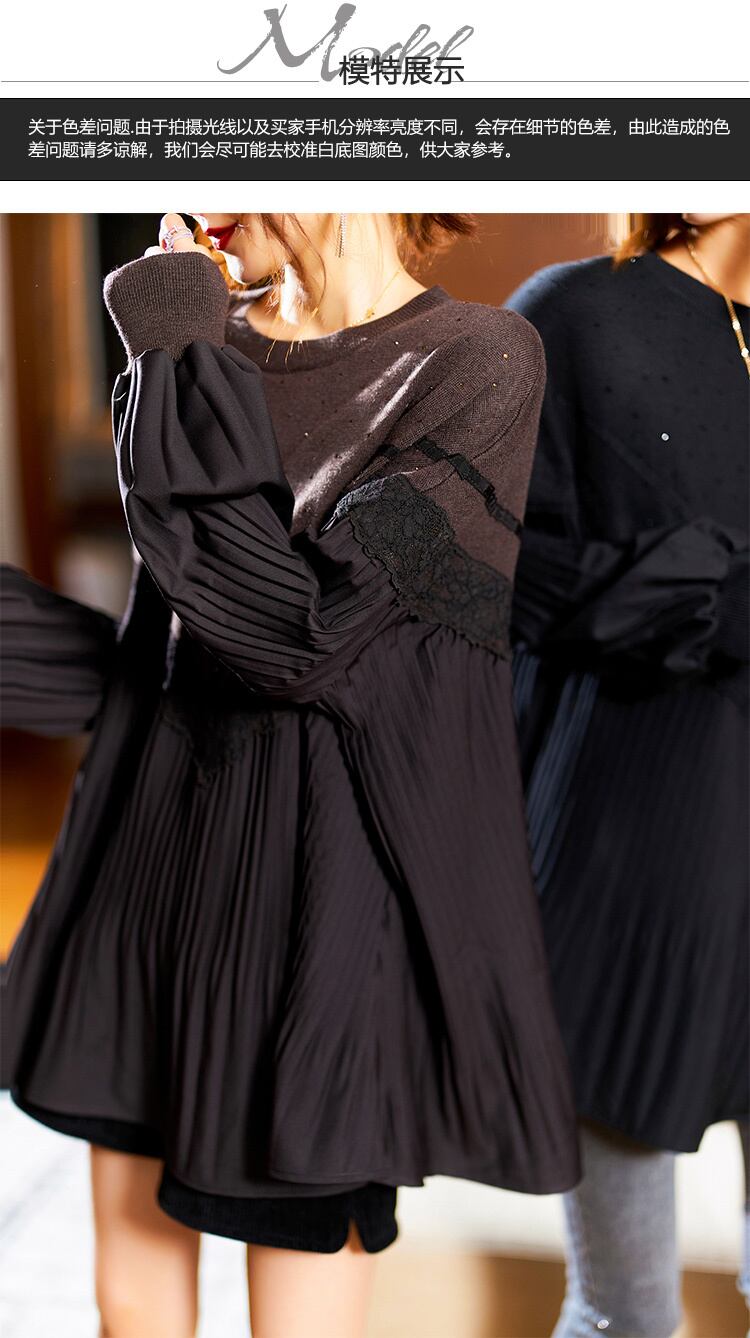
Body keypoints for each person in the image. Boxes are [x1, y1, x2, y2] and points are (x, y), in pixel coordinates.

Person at [0, 211, 581, 1338]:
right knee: (131, 1303)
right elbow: (169, 648)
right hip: (145, 866)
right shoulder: (198, 342)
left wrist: (172, 347)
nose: (189, 202)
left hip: (320, 905)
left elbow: (296, 640)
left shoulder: (477, 359)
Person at [506, 212, 750, 1338]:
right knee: (627, 1316)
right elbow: (486, 571)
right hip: (624, 878)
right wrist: (703, 595)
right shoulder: (575, 314)